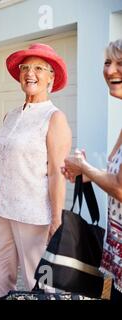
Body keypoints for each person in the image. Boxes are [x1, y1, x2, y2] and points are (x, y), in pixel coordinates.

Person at [0, 43, 72, 299]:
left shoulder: (54, 117)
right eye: (25, 68)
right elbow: (0, 167)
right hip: (3, 210)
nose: (30, 73)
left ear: (51, 77)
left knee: (37, 281)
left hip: (34, 214)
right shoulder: (11, 115)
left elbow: (56, 172)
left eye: (39, 68)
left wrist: (57, 220)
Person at [62, 39, 122, 302]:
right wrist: (88, 174)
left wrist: (84, 166)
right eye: (107, 62)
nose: (110, 71)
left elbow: (121, 188)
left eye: (120, 63)